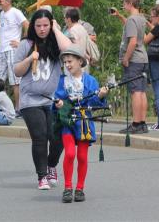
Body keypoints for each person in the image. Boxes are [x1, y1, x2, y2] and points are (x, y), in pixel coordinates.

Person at [14, 9, 71, 190]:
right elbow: (17, 71)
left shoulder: (55, 42)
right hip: (30, 100)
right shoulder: (27, 44)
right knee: (40, 137)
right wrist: (31, 58)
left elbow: (69, 48)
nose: (42, 29)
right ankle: (42, 176)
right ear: (33, 26)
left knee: (57, 137)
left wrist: (56, 30)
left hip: (51, 100)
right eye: (38, 25)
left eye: (46, 25)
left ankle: (51, 165)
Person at [54, 45, 108, 203]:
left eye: (70, 61)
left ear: (80, 61)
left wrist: (102, 95)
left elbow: (95, 102)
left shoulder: (90, 81)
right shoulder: (62, 81)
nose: (67, 65)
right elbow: (57, 99)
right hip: (68, 122)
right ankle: (67, 187)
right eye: (65, 62)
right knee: (70, 153)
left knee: (82, 156)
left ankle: (80, 188)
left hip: (84, 123)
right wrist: (58, 104)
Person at [111, 0, 148, 134]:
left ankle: (135, 123)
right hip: (143, 58)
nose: (123, 5)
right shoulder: (141, 18)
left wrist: (126, 58)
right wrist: (120, 16)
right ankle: (143, 122)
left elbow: (133, 41)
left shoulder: (133, 19)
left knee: (135, 92)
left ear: (130, 4)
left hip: (134, 60)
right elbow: (142, 37)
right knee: (142, 91)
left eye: (125, 3)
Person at [0, 0, 29, 117]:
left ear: (7, 1)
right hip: (2, 50)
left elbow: (26, 25)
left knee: (15, 81)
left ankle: (19, 109)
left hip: (13, 50)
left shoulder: (15, 12)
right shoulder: (2, 13)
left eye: (0, 1)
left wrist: (22, 42)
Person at [63, 8, 90, 73]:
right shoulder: (82, 28)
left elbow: (76, 46)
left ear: (69, 19)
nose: (64, 20)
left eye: (65, 18)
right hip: (84, 61)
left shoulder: (72, 30)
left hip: (75, 63)